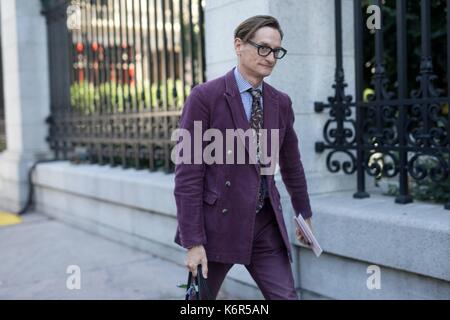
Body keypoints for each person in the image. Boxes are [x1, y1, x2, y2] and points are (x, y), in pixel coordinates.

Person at [174, 15, 314, 300]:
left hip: (264, 223)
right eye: (263, 47)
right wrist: (193, 241)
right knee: (198, 303)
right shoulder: (205, 97)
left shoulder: (281, 102)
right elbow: (188, 174)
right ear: (239, 45)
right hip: (216, 225)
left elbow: (292, 165)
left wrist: (304, 214)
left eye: (276, 51)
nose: (271, 57)